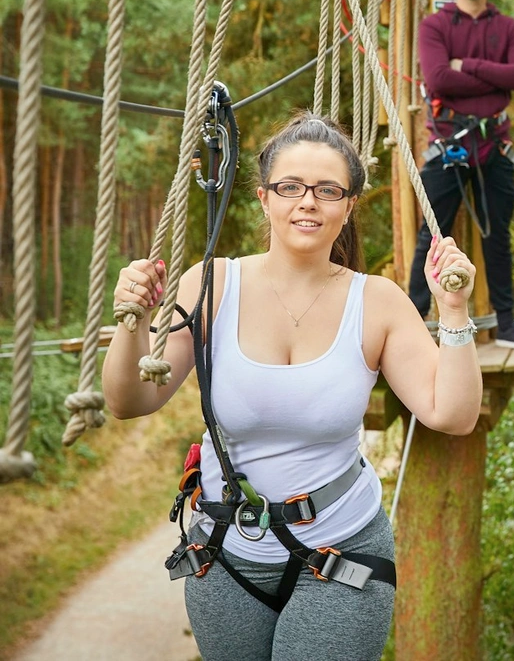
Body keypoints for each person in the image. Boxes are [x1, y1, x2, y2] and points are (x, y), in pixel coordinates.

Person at [102, 113, 482, 661]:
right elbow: (128, 400)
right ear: (263, 197)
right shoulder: (211, 285)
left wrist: (453, 310)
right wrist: (133, 321)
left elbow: (453, 414)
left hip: (341, 548)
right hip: (226, 553)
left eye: (328, 190)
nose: (308, 201)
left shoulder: (376, 302)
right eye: (291, 187)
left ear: (348, 206)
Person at [407, 0, 514, 350]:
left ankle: (507, 323)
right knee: (432, 235)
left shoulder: (508, 28)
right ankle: (414, 321)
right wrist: (494, 78)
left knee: (497, 235)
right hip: (450, 143)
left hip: (494, 146)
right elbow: (438, 80)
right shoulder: (435, 26)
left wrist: (466, 65)